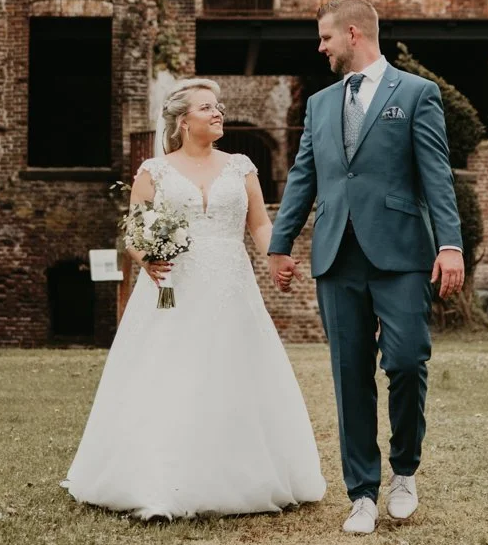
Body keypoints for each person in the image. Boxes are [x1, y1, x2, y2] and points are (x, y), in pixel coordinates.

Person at [64, 79, 326, 519]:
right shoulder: (154, 171)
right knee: (169, 374)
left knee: (233, 371)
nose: (218, 112)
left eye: (218, 106)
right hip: (174, 288)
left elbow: (260, 224)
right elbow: (135, 232)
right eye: (207, 107)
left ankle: (240, 476)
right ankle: (159, 483)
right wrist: (147, 257)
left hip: (230, 285)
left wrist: (276, 257)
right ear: (183, 121)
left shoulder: (240, 167)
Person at [268, 0, 464, 534]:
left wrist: (450, 244)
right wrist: (282, 243)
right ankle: (361, 493)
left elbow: (437, 174)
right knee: (349, 374)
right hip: (336, 254)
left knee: (406, 361)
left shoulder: (417, 93)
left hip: (401, 253)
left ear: (353, 34)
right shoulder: (319, 104)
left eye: (325, 37)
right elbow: (304, 176)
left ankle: (404, 472)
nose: (321, 47)